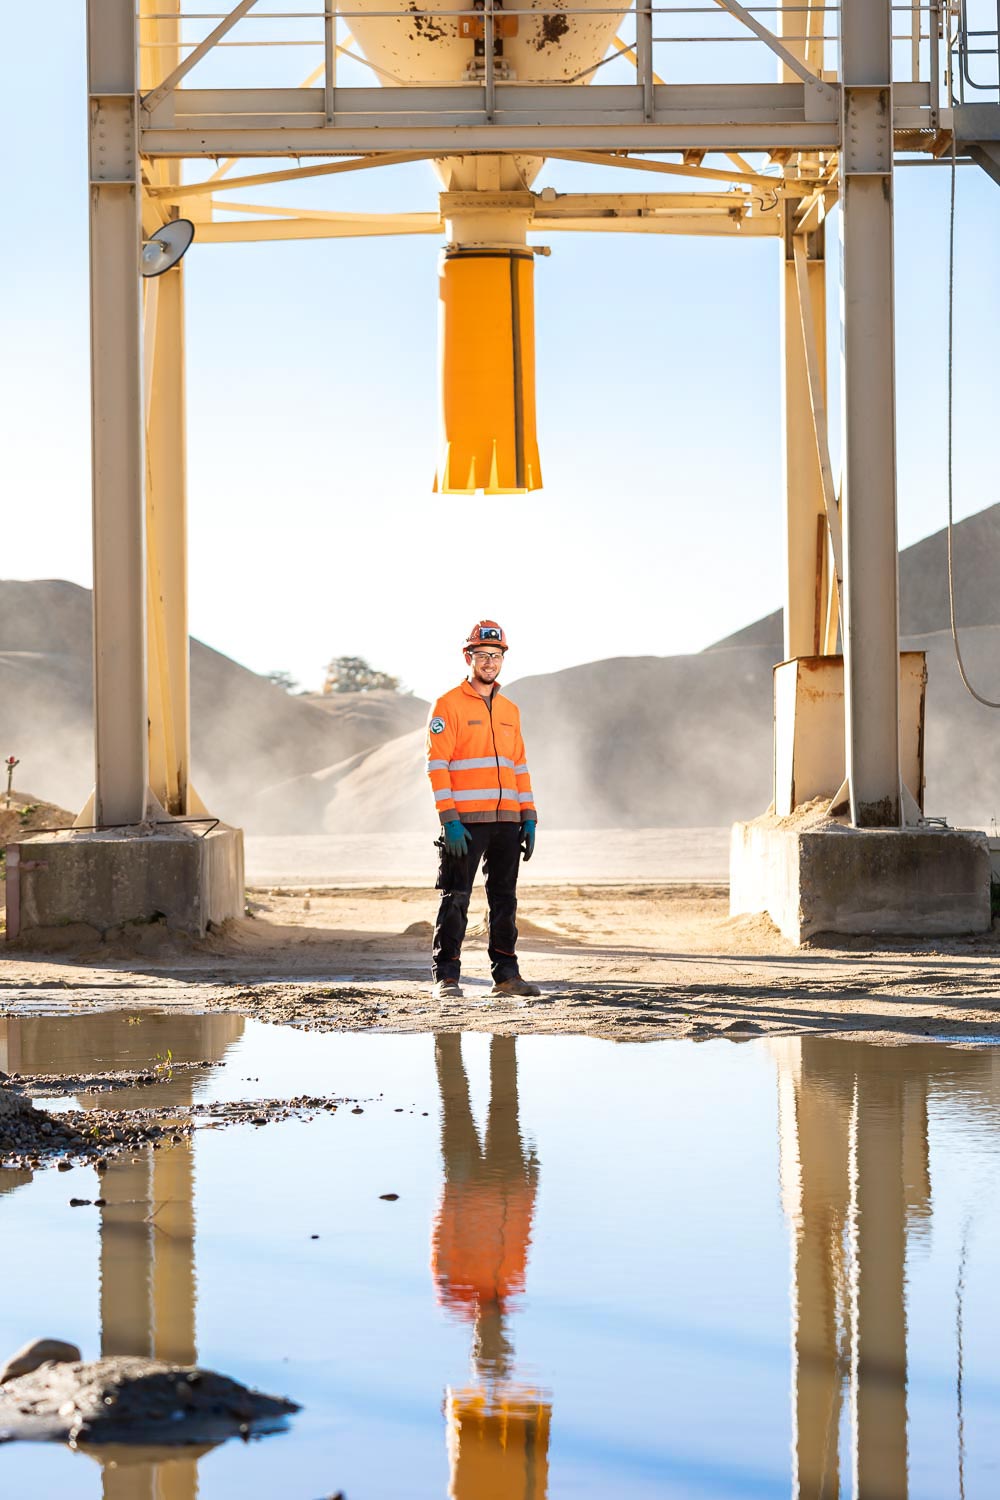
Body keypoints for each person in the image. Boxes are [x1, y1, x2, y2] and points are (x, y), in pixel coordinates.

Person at [426, 621, 540, 999]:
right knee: (456, 897)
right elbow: (437, 766)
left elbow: (519, 766)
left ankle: (507, 976)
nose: (489, 662)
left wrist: (529, 816)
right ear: (468, 657)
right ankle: (447, 978)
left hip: (508, 821)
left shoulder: (510, 709)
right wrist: (450, 820)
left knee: (504, 900)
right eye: (482, 655)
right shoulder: (448, 705)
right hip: (466, 825)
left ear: (503, 659)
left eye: (496, 655)